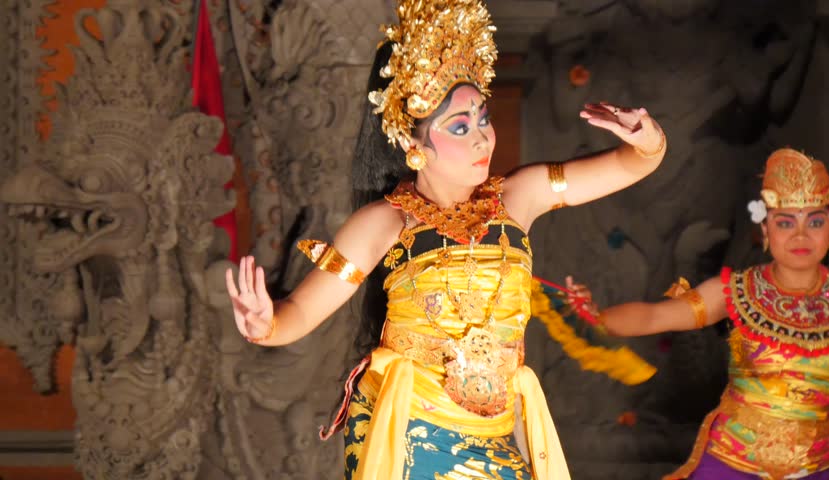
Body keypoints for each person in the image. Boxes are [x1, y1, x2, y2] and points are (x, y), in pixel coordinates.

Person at [225, 0, 666, 478]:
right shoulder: (385, 223)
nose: (482, 139)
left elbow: (633, 164)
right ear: (413, 145)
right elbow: (302, 313)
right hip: (415, 436)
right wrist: (264, 324)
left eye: (483, 118)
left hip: (497, 435)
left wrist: (647, 138)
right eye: (459, 127)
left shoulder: (521, 197)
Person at [567, 148, 829, 480]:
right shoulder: (736, 289)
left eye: (815, 221)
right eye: (785, 222)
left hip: (817, 468)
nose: (801, 235)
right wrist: (597, 316)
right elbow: (654, 317)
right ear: (765, 230)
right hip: (734, 465)